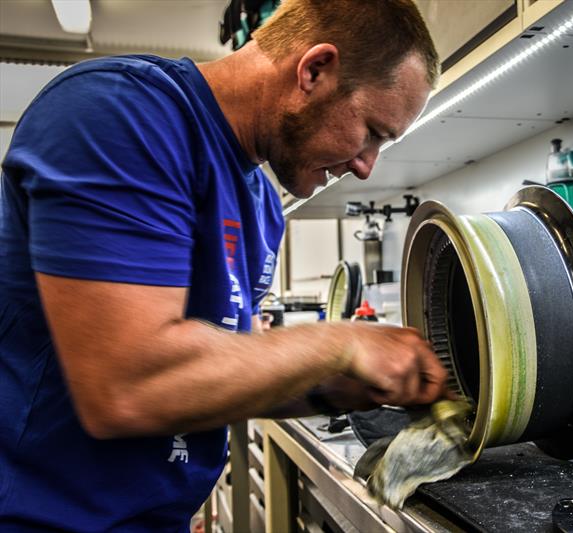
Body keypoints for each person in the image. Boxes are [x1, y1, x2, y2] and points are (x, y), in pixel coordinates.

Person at [0, 0, 447, 530]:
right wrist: (340, 343)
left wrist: (341, 384)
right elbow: (125, 386)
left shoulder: (259, 199)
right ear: (314, 69)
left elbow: (226, 368)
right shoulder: (120, 113)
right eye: (373, 130)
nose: (366, 166)